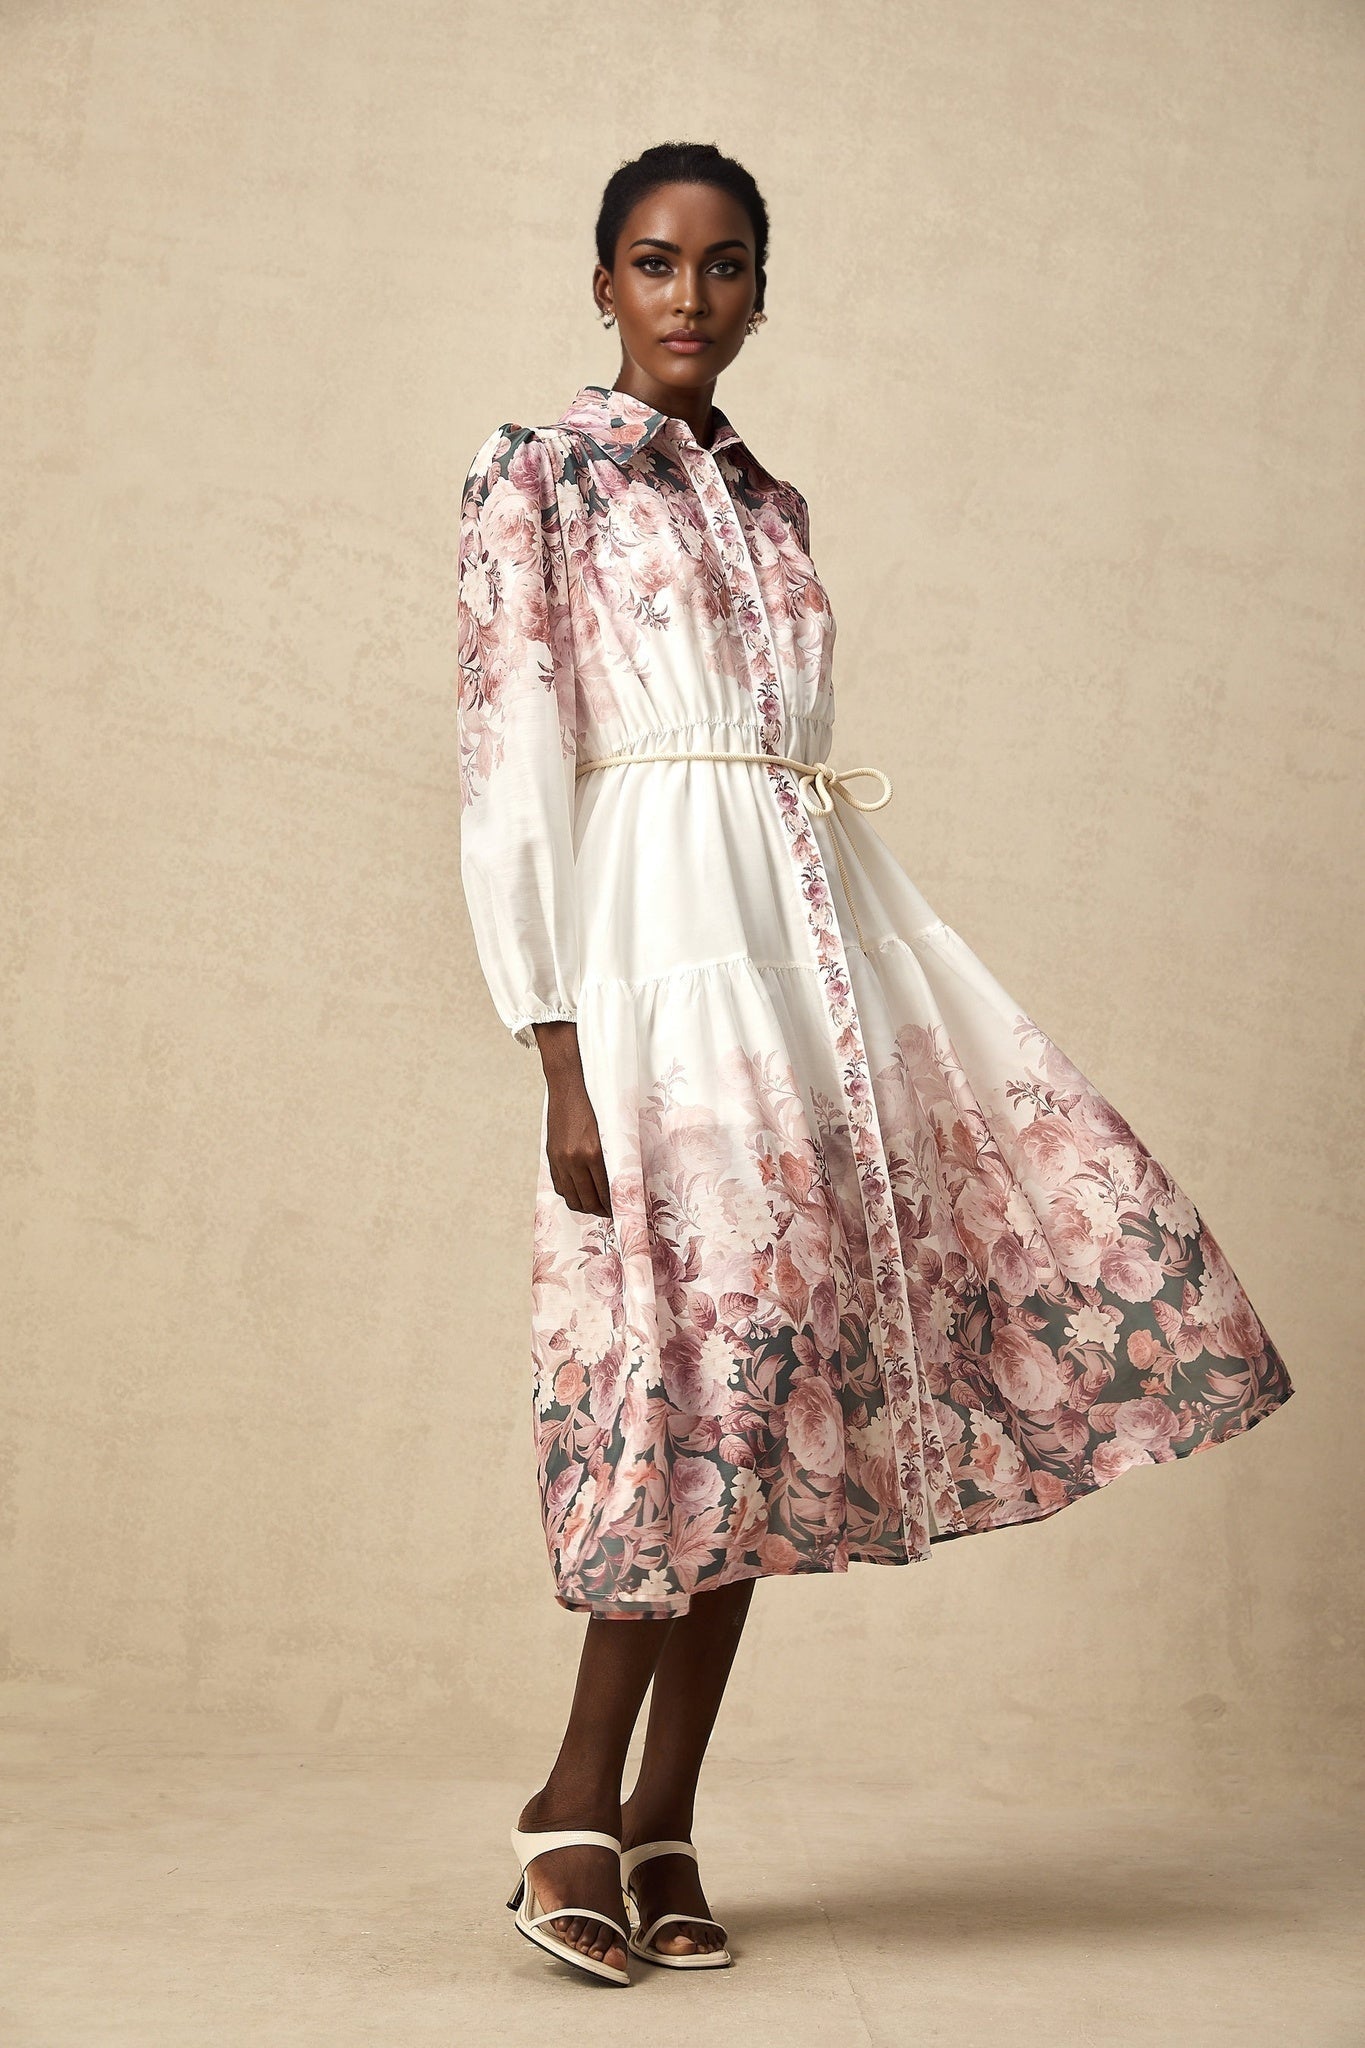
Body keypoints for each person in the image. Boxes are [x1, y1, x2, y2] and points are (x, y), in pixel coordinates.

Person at [455, 141, 1295, 1986]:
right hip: (656, 961)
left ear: (762, 289)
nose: (690, 297)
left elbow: (791, 768)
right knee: (692, 1377)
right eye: (654, 264)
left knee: (773, 1395)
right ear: (598, 282)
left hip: (806, 949)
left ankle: (666, 1821)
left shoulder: (776, 509)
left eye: (727, 265)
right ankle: (565, 1808)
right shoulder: (537, 486)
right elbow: (513, 777)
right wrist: (557, 1048)